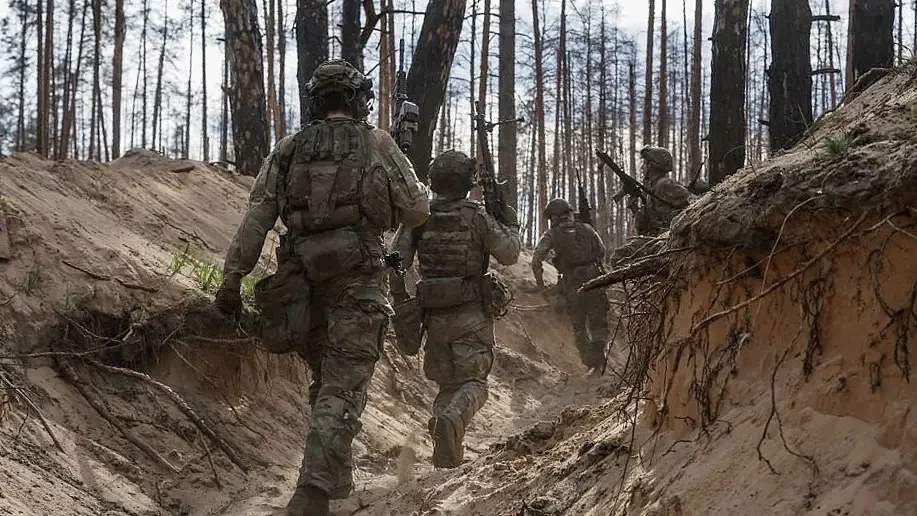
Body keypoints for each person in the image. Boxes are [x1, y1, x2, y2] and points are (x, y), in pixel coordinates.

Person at [213, 59, 430, 516]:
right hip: (359, 282)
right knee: (342, 387)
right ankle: (312, 490)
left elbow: (257, 216)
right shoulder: (377, 142)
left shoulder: (289, 148)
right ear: (357, 100)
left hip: (301, 286)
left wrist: (233, 278)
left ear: (315, 100)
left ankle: (337, 483)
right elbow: (416, 209)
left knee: (325, 381)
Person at [389, 150, 521, 468]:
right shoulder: (476, 216)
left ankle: (447, 448)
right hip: (471, 315)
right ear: (466, 182)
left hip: (433, 317)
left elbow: (395, 261)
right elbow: (510, 253)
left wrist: (402, 301)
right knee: (475, 382)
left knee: (448, 383)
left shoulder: (420, 217)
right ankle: (450, 421)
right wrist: (510, 222)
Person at [531, 198, 609, 374]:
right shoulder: (587, 228)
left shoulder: (552, 235)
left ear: (555, 217)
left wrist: (542, 287)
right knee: (598, 323)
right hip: (595, 279)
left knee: (579, 327)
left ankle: (591, 364)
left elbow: (536, 260)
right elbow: (601, 251)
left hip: (573, 283)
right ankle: (600, 360)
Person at [612, 146, 696, 265]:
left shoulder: (664, 184)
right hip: (657, 239)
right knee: (621, 256)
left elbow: (694, 202)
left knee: (619, 257)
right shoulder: (652, 189)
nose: (643, 167)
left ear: (652, 166)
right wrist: (635, 210)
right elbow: (643, 229)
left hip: (667, 240)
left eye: (645, 163)